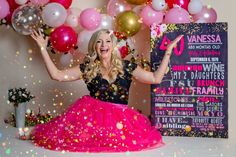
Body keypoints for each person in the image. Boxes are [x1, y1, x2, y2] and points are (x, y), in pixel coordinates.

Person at [29, 29, 182, 152]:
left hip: (120, 121)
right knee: (74, 140)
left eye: (107, 41)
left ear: (113, 45)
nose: (103, 44)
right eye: (99, 42)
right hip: (91, 119)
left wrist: (168, 51)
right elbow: (57, 75)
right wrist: (43, 48)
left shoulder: (127, 66)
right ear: (94, 46)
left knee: (123, 143)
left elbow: (155, 78)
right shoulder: (87, 67)